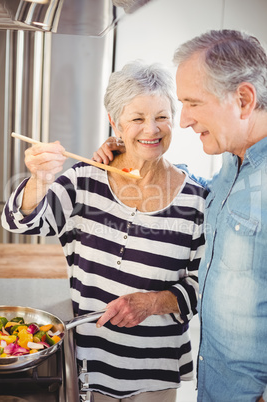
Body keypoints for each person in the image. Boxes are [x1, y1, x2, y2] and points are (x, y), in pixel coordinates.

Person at [2, 61, 207, 401]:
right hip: (91, 365)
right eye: (137, 118)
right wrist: (40, 179)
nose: (151, 129)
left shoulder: (197, 201)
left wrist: (154, 302)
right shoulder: (84, 181)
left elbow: (202, 286)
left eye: (162, 116)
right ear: (115, 123)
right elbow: (19, 222)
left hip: (157, 372)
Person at [93, 30, 267, 402]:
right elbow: (193, 189)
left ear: (243, 99)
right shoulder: (229, 170)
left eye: (192, 103)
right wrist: (130, 151)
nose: (183, 120)